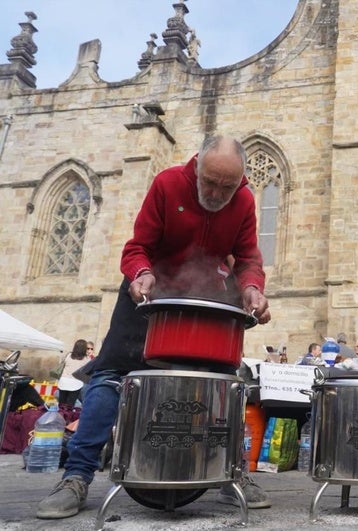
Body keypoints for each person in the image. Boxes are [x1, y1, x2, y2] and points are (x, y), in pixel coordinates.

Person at [36, 135, 272, 519]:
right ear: (196, 168)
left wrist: (251, 288)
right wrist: (141, 274)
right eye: (209, 182)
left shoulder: (243, 201)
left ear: (242, 181)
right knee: (112, 376)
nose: (215, 193)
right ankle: (76, 477)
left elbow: (247, 257)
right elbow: (136, 248)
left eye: (227, 187)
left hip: (206, 300)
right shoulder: (167, 184)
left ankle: (232, 474)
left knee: (226, 384)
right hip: (147, 297)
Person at [56, 339, 90, 407]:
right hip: (76, 383)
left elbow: (62, 363)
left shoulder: (68, 355)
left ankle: (60, 416)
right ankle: (68, 416)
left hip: (64, 381)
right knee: (70, 405)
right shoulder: (86, 359)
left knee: (61, 404)